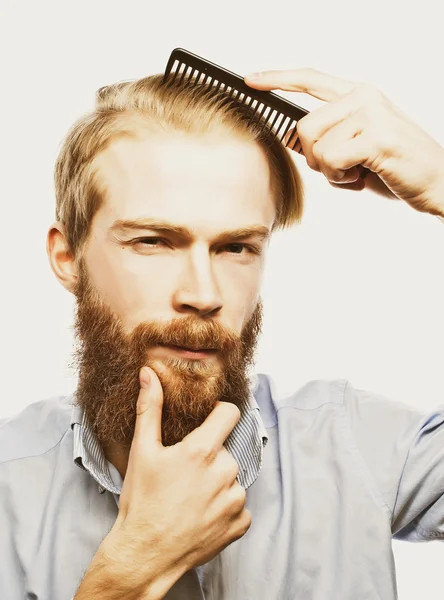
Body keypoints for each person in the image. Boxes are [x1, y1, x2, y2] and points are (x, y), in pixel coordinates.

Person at [0, 64, 443, 600]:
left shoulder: (354, 447)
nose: (204, 294)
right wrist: (130, 572)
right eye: (153, 241)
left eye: (236, 247)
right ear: (68, 258)